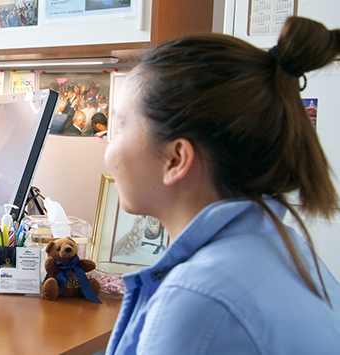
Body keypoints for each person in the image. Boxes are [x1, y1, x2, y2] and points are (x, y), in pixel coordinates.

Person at [105, 17, 340, 354]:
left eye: (119, 126)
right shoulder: (289, 249)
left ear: (175, 159)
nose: (109, 148)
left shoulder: (197, 298)